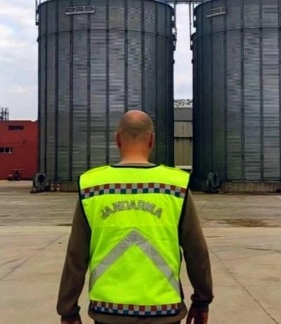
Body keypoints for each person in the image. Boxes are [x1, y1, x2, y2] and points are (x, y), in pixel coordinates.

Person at [57, 110, 213, 324]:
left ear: (117, 140)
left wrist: (67, 309)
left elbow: (76, 255)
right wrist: (202, 300)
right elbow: (196, 251)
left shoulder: (92, 186)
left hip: (108, 311)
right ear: (152, 140)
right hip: (164, 310)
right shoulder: (175, 185)